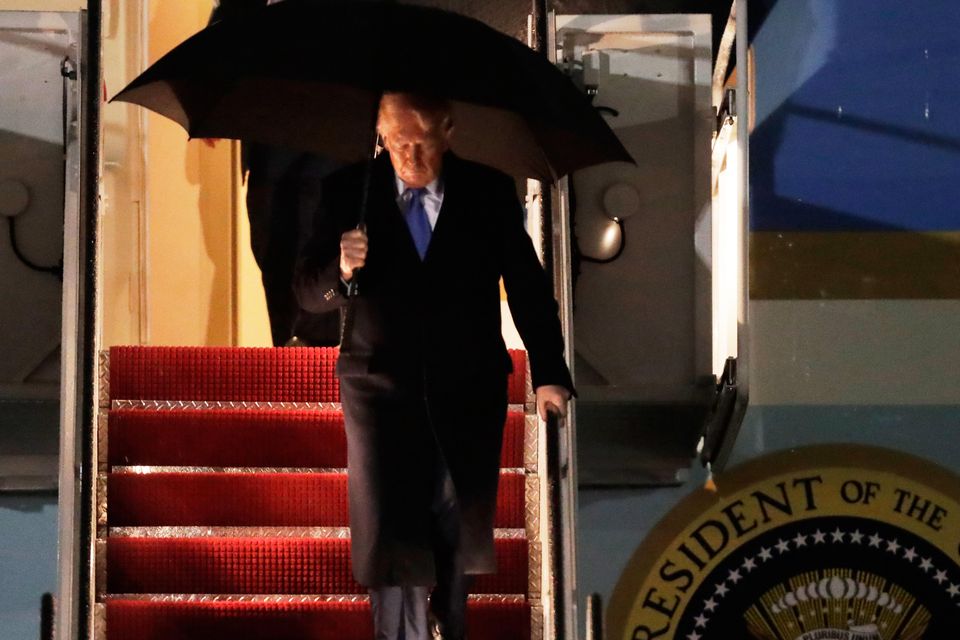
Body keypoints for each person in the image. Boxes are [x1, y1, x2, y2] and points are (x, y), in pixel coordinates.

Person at [295, 92, 573, 640]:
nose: (410, 156)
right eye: (398, 142)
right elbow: (306, 292)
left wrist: (550, 372)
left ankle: (449, 623)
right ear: (380, 133)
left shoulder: (489, 190)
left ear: (449, 130)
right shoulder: (348, 190)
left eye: (422, 142)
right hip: (378, 384)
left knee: (454, 525)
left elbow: (527, 286)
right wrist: (342, 270)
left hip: (466, 383)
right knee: (391, 529)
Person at [209, 0, 341, 347]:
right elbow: (229, 13)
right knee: (271, 244)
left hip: (330, 118)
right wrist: (214, 93)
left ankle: (315, 351)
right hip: (267, 125)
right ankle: (287, 346)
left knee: (315, 233)